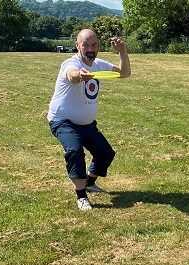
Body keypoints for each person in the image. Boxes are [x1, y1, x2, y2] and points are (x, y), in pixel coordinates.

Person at [47, 29, 131, 211]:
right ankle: (81, 195)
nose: (90, 49)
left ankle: (90, 182)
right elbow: (72, 74)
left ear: (98, 47)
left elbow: (124, 73)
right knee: (75, 151)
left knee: (106, 153)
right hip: (63, 120)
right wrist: (80, 75)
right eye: (85, 45)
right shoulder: (69, 63)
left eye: (94, 45)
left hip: (87, 124)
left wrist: (123, 52)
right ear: (77, 46)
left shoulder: (99, 64)